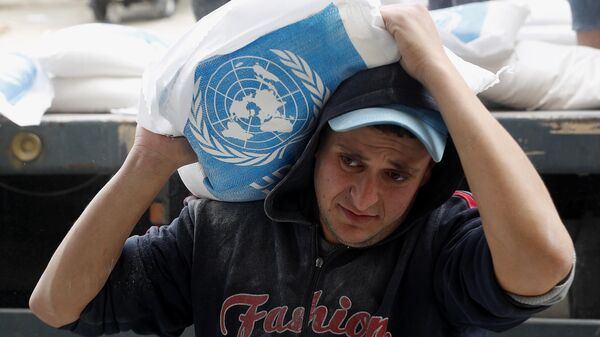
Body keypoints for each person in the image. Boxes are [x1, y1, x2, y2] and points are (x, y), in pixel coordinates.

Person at [29, 4, 575, 337]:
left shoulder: (444, 245)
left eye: (397, 174)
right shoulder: (218, 230)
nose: (364, 195)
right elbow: (57, 306)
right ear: (314, 150)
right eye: (350, 160)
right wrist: (148, 161)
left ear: (428, 178)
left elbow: (544, 263)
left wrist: (437, 70)